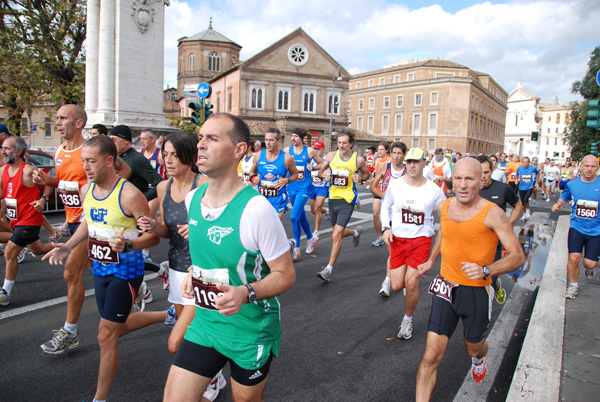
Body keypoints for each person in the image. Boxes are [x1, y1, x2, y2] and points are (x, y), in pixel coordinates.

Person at [163, 113, 296, 401]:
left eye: (212, 139)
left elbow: (286, 274)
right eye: (201, 138)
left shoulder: (257, 210)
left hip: (250, 330)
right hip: (206, 322)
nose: (201, 145)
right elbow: (208, 259)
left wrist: (245, 292)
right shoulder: (193, 199)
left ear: (239, 150)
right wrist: (192, 274)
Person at [42, 135, 174, 402]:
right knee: (116, 326)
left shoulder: (129, 195)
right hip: (100, 269)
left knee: (105, 335)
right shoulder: (86, 190)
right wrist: (68, 245)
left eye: (91, 161)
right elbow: (87, 222)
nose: (86, 167)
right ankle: (168, 316)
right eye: (83, 161)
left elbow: (152, 237)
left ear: (110, 161)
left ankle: (99, 398)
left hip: (125, 272)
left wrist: (128, 245)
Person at [415, 158, 525, 400]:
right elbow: (444, 234)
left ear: (480, 181)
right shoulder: (444, 207)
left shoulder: (493, 214)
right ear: (451, 180)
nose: (463, 185)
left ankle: (479, 358)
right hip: (446, 287)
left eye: (470, 179)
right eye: (458, 178)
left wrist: (487, 270)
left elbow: (518, 257)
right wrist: (432, 261)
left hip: (477, 292)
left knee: (473, 348)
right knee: (430, 357)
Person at [32, 104, 130, 354]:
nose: (57, 122)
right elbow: (64, 183)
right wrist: (47, 184)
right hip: (73, 220)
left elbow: (124, 171)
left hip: (92, 221)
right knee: (95, 268)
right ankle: (131, 286)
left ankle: (70, 332)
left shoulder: (91, 150)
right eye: (56, 118)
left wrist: (109, 200)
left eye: (62, 118)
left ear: (78, 123)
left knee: (70, 273)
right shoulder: (59, 151)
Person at [136, 133, 226, 401]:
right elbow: (167, 230)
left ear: (189, 156)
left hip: (204, 267)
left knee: (182, 340)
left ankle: (207, 376)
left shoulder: (205, 183)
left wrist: (200, 228)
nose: (168, 159)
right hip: (176, 266)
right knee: (189, 333)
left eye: (174, 154)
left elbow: (224, 223)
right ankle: (215, 376)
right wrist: (154, 226)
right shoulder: (163, 187)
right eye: (165, 154)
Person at [380, 147, 446, 339]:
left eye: (416, 162)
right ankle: (408, 293)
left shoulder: (434, 191)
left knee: (411, 283)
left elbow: (446, 217)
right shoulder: (397, 185)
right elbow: (386, 207)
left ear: (425, 163)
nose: (411, 165)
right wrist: (386, 228)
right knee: (396, 285)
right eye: (409, 162)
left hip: (421, 241)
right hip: (398, 240)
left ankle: (407, 320)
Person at [0, 137, 56, 305]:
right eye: (2, 148)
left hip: (30, 219)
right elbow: (2, 193)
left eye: (7, 149)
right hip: (16, 220)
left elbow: (49, 182)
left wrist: (43, 199)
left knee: (10, 252)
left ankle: (5, 292)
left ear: (18, 151)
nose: (3, 151)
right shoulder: (2, 170)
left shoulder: (28, 170)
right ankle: (70, 246)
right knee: (38, 249)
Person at [316, 130, 370, 282]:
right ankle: (355, 233)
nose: (341, 145)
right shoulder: (331, 156)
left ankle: (328, 269)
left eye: (344, 143)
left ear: (351, 144)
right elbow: (320, 172)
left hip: (347, 200)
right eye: (339, 142)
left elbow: (367, 175)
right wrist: (324, 174)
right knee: (337, 232)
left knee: (335, 235)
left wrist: (360, 178)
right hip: (333, 198)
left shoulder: (357, 160)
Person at [552, 154, 600, 299]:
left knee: (590, 263)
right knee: (574, 258)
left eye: (593, 166)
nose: (590, 169)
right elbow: (565, 196)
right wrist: (558, 204)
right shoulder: (572, 184)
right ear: (581, 167)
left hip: (596, 230)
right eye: (587, 166)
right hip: (577, 227)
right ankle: (573, 286)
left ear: (597, 168)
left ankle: (590, 267)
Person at [476, 155, 523, 305]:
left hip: (494, 244)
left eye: (486, 172)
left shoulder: (503, 188)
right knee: (474, 281)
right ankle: (495, 287)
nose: (483, 177)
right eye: (479, 172)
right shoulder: (470, 189)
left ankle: (485, 315)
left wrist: (507, 224)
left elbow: (517, 205)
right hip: (474, 242)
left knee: (488, 280)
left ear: (492, 170)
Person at [370, 141, 408, 296]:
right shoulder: (384, 168)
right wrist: (384, 195)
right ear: (390, 154)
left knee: (398, 251)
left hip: (404, 215)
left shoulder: (408, 170)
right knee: (393, 250)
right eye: (394, 153)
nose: (396, 156)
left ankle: (391, 281)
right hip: (388, 214)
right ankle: (389, 281)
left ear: (404, 155)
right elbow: (373, 186)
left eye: (399, 153)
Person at [284, 129, 322, 260]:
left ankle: (297, 247)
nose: (293, 138)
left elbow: (322, 163)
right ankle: (311, 238)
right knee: (301, 217)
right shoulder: (287, 150)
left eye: (295, 136)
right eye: (292, 136)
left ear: (302, 138)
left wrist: (314, 168)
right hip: (292, 187)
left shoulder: (309, 151)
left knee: (294, 217)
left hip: (304, 188)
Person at [250, 128, 298, 219]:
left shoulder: (287, 158)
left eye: (271, 140)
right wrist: (253, 179)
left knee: (274, 226)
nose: (268, 143)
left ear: (279, 141)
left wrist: (287, 180)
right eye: (266, 140)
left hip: (278, 198)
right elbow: (252, 172)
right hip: (262, 197)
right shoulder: (258, 155)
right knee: (262, 226)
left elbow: (295, 175)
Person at [308, 141, 330, 242]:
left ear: (323, 149)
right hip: (313, 187)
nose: (316, 150)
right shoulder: (311, 160)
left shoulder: (326, 160)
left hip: (323, 186)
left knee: (317, 208)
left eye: (318, 149)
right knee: (313, 210)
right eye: (315, 149)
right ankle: (327, 211)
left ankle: (316, 231)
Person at [370, 142, 391, 246]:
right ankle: (380, 237)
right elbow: (377, 175)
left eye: (382, 149)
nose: (380, 151)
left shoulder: (390, 161)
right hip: (378, 190)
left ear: (387, 150)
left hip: (388, 191)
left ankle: (390, 233)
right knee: (375, 214)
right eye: (378, 149)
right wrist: (370, 181)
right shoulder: (377, 161)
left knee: (388, 215)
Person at [516, 157, 539, 221]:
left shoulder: (532, 168)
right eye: (524, 162)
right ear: (522, 162)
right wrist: (516, 180)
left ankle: (527, 210)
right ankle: (524, 214)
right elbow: (516, 175)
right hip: (521, 186)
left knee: (526, 199)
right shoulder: (520, 168)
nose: (525, 163)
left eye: (527, 162)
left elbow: (537, 173)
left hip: (529, 186)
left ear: (529, 162)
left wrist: (536, 182)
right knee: (523, 201)